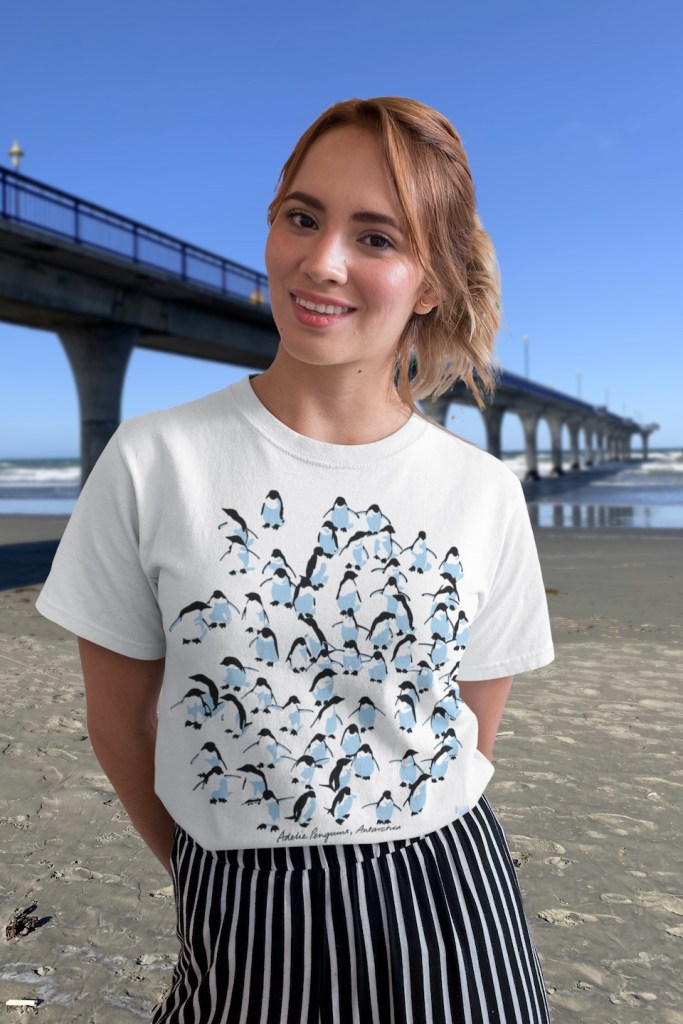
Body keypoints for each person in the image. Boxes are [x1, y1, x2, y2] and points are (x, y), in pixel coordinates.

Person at [37, 96, 555, 1024]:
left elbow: (471, 734)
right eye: (302, 218)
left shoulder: (483, 492)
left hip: (453, 901)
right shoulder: (155, 461)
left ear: (430, 281)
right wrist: (218, 865)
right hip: (236, 908)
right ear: (272, 224)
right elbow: (121, 725)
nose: (322, 263)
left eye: (377, 237)